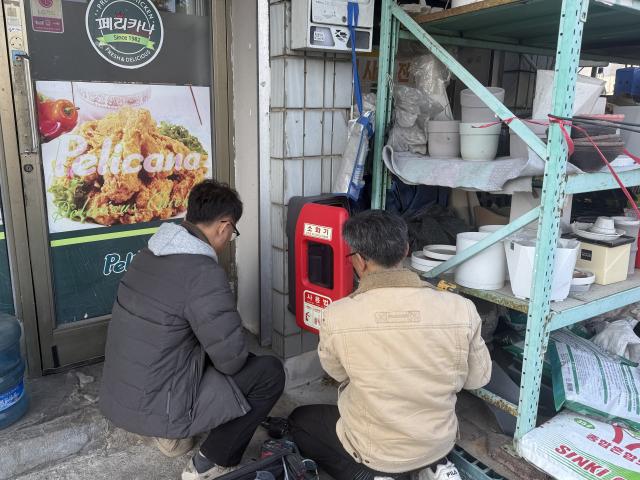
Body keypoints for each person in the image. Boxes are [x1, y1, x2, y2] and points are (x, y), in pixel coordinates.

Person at [99, 179, 286, 480]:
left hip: (124, 394)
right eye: (233, 232)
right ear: (224, 225)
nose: (229, 239)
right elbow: (232, 360)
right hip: (160, 403)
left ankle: (170, 436)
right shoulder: (202, 273)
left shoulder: (149, 253)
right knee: (267, 372)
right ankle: (211, 462)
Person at [289, 210, 492, 480]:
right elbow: (479, 377)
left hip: (376, 452)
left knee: (299, 421)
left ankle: (375, 477)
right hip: (437, 443)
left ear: (359, 261)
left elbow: (338, 374)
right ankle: (434, 468)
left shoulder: (337, 315)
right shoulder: (461, 308)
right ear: (406, 249)